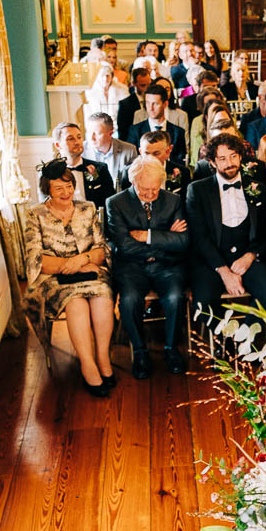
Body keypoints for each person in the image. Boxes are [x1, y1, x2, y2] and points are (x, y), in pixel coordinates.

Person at [24, 160, 115, 397]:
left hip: (90, 272)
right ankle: (88, 364)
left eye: (69, 186)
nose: (66, 193)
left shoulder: (87, 209)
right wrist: (72, 264)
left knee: (103, 297)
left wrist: (82, 259)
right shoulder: (35, 215)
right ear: (48, 190)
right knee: (76, 303)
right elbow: (36, 259)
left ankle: (103, 357)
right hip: (54, 279)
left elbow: (101, 249)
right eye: (58, 189)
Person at [106, 156, 189, 379]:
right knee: (130, 300)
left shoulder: (173, 201)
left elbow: (183, 242)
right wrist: (166, 239)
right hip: (132, 267)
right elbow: (124, 246)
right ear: (133, 182)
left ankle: (171, 349)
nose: (151, 195)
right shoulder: (115, 203)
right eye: (145, 190)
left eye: (155, 189)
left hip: (167, 266)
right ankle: (140, 352)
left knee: (175, 298)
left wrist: (147, 236)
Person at [186, 132, 266, 323]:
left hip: (247, 257)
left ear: (240, 157)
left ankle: (246, 340)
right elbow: (199, 237)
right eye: (222, 158)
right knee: (203, 303)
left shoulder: (258, 188)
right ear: (212, 163)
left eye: (233, 156)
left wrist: (250, 256)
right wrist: (224, 271)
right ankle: (225, 345)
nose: (229, 163)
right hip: (212, 261)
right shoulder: (197, 190)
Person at [51, 122, 116, 208]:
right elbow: (48, 206)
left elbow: (110, 204)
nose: (77, 142)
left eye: (79, 137)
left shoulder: (100, 168)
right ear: (58, 145)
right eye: (70, 139)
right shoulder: (50, 172)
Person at [125, 84, 188, 165]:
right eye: (148, 103)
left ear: (165, 104)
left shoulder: (178, 132)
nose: (151, 108)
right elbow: (132, 161)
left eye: (155, 104)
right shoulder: (135, 131)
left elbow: (180, 162)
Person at [83, 112, 137, 186]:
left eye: (97, 133)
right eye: (89, 132)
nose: (91, 138)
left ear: (110, 133)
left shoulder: (129, 150)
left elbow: (132, 183)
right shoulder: (82, 151)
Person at [117, 67, 152, 139]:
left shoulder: (155, 100)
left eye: (149, 85)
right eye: (142, 85)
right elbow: (123, 133)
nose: (146, 89)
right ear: (134, 84)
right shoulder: (125, 105)